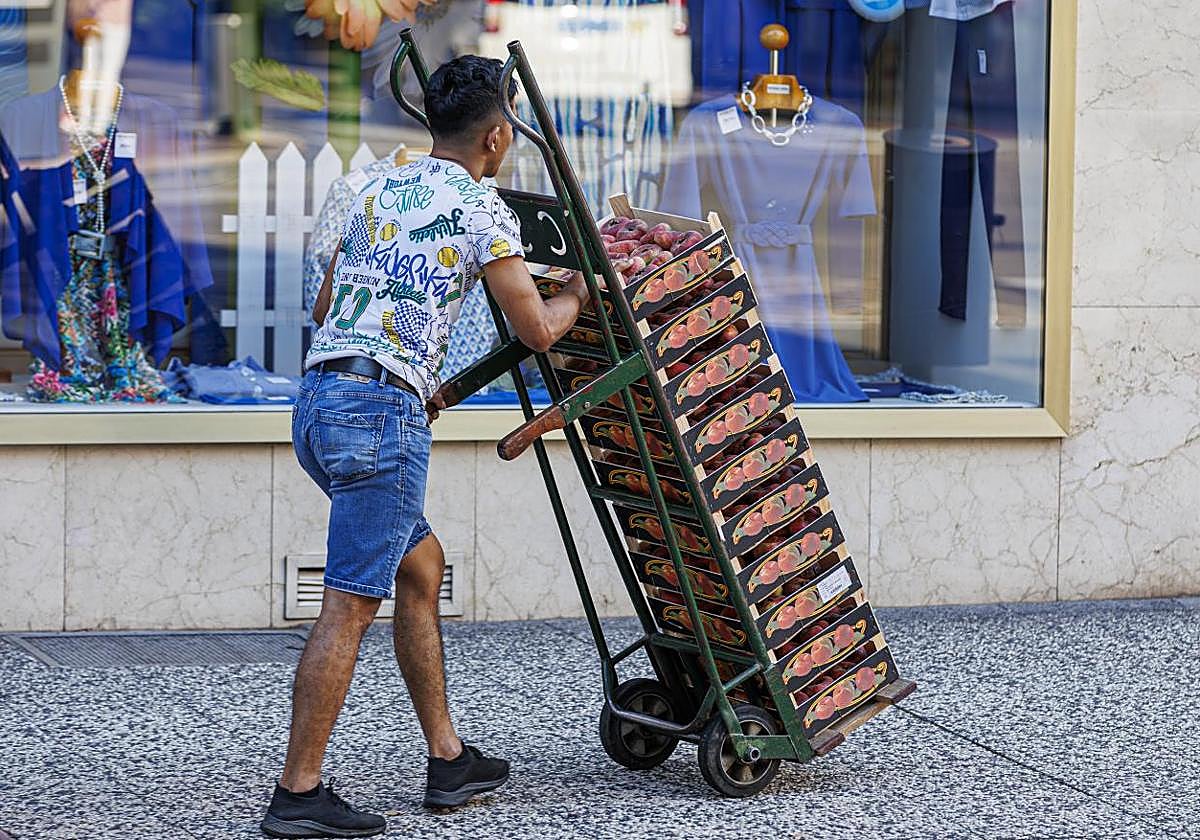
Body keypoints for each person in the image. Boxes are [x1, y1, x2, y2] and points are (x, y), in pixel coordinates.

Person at [261, 55, 590, 839]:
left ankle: (448, 759)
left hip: (318, 402)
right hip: (381, 417)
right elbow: (538, 333)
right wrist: (581, 289)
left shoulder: (375, 185)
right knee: (348, 604)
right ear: (499, 137)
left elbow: (326, 299)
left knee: (422, 565)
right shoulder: (481, 208)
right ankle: (298, 794)